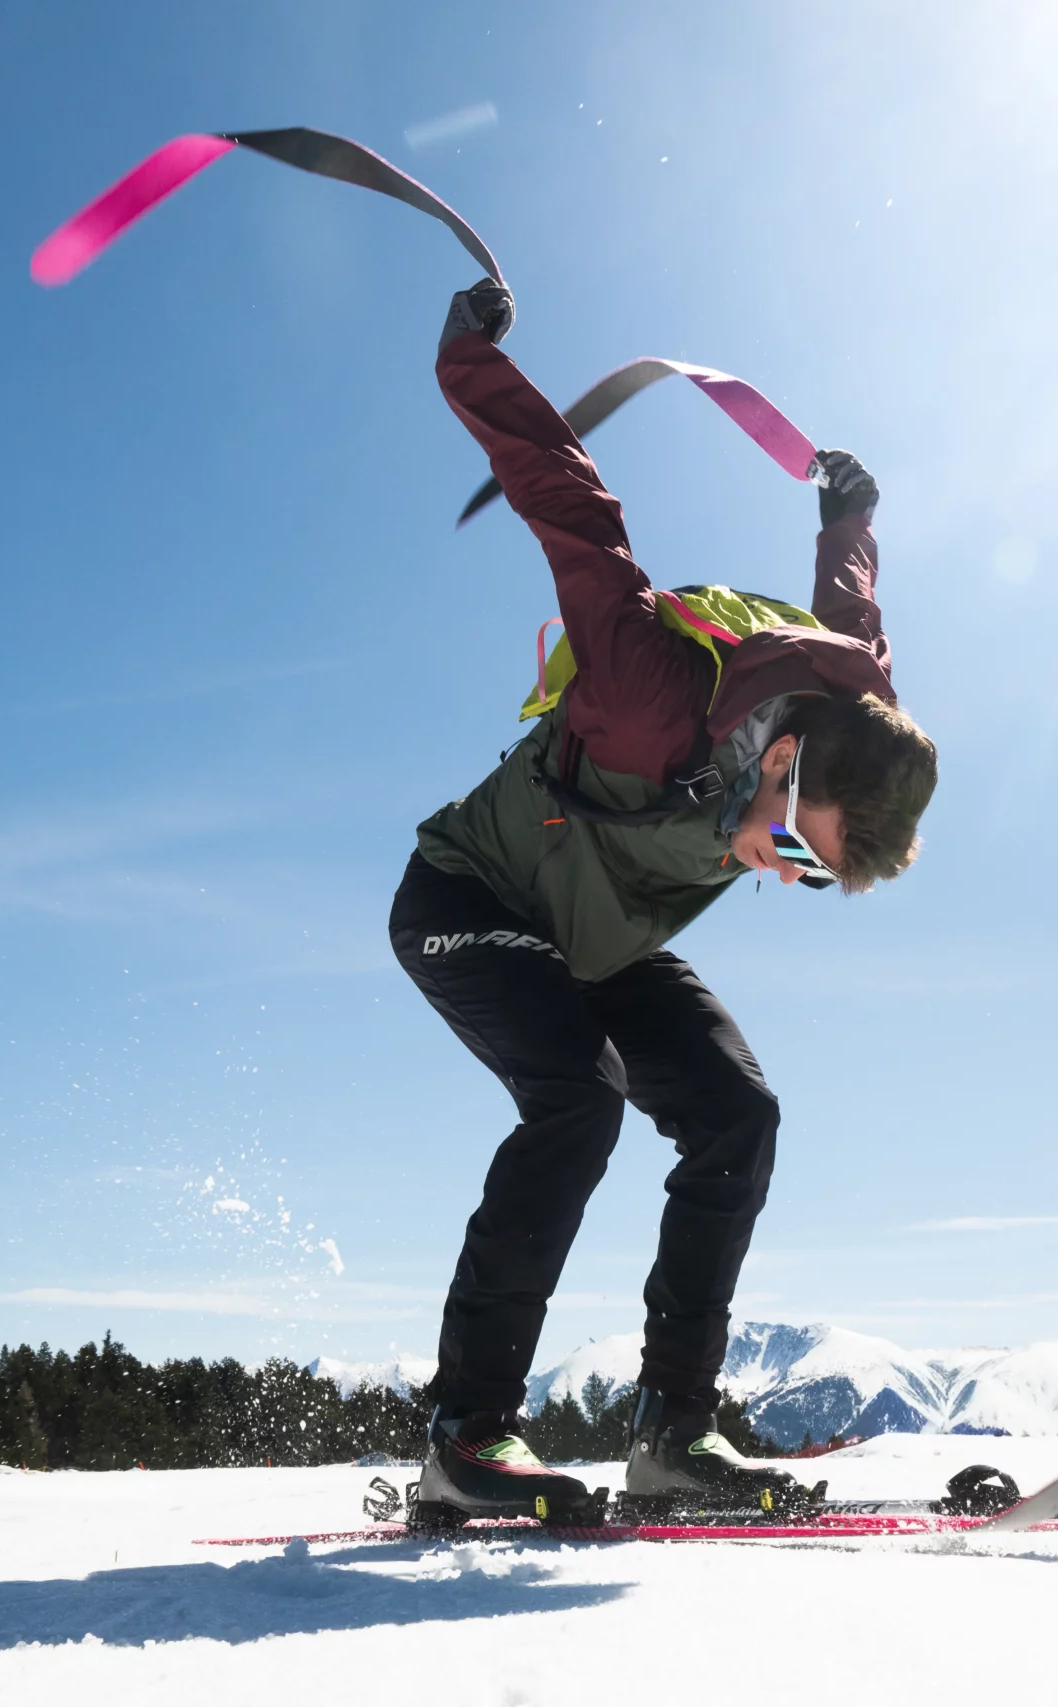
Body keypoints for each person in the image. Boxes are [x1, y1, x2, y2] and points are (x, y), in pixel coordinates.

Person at [394, 280, 938, 1519]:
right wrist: (466, 357)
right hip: (469, 895)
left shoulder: (846, 713)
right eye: (793, 847)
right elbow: (572, 504)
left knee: (738, 1115)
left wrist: (849, 503)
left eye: (809, 873)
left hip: (601, 937)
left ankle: (672, 1439)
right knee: (575, 1100)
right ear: (782, 760)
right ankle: (465, 1437)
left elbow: (850, 601)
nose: (779, 868)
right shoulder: (646, 695)